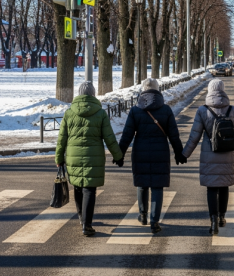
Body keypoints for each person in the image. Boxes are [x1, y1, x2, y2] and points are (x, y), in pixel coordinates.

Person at [55, 81, 123, 237]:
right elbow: (109, 138)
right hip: (94, 159)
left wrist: (59, 158)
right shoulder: (100, 113)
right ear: (93, 94)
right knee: (90, 190)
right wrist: (118, 156)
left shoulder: (69, 113)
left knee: (78, 186)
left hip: (73, 157)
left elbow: (62, 139)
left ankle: (81, 216)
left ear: (79, 94)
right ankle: (87, 224)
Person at [118, 78, 186, 234]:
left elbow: (127, 135)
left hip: (140, 151)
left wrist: (119, 154)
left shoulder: (135, 110)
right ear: (158, 91)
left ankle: (142, 215)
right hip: (160, 152)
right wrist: (179, 153)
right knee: (157, 186)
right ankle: (154, 222)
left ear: (143, 91)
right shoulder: (166, 110)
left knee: (142, 184)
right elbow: (173, 135)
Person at [182, 79, 234, 235]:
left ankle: (213, 221)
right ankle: (222, 217)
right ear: (223, 90)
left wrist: (184, 155)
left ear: (209, 91)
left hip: (210, 155)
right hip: (228, 153)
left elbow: (194, 137)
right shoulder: (232, 110)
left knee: (212, 188)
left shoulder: (203, 111)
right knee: (224, 186)